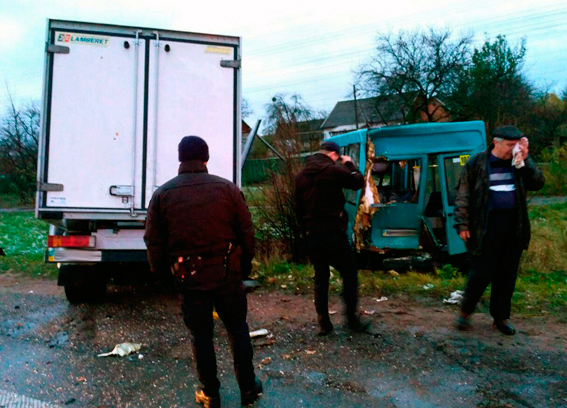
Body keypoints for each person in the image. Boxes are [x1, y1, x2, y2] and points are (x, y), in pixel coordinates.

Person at [144, 136, 262, 408]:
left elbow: (154, 242)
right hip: (227, 272)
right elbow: (247, 232)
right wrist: (244, 267)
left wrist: (164, 277)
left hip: (188, 276)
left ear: (180, 158)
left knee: (201, 335)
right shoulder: (227, 189)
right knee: (237, 328)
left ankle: (210, 394)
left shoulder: (163, 195)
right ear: (206, 158)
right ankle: (248, 388)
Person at [454, 126, 545, 335]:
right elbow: (462, 194)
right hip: (484, 226)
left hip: (513, 227)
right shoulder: (477, 162)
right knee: (480, 274)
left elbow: (538, 183)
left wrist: (525, 162)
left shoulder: (519, 162)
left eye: (517, 145)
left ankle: (501, 317)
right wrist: (462, 224)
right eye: (510, 145)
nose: (514, 149)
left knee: (507, 275)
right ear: (496, 142)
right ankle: (465, 313)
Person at [295, 141, 371, 335]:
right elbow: (357, 182)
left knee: (321, 277)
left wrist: (306, 230)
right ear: (334, 155)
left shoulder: (301, 175)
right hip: (333, 233)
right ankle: (352, 321)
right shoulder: (332, 170)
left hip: (313, 234)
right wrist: (349, 164)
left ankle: (323, 322)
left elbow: (298, 208)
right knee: (349, 272)